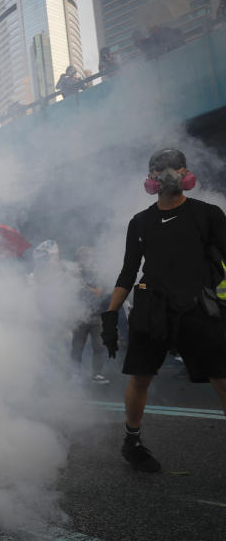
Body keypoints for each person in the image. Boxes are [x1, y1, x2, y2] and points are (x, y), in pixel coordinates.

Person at [101, 148, 226, 472]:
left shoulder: (208, 214)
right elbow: (129, 272)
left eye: (175, 167)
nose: (170, 172)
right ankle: (132, 441)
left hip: (197, 308)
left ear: (185, 172)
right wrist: (111, 316)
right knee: (141, 378)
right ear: (151, 177)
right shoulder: (140, 222)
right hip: (152, 309)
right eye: (162, 168)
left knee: (223, 378)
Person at [71, 247, 109, 384]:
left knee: (99, 346)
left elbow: (98, 292)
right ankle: (75, 374)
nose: (85, 259)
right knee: (77, 347)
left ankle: (97, 374)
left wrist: (84, 285)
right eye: (82, 256)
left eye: (87, 256)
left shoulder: (97, 273)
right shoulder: (74, 272)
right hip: (79, 316)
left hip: (96, 316)